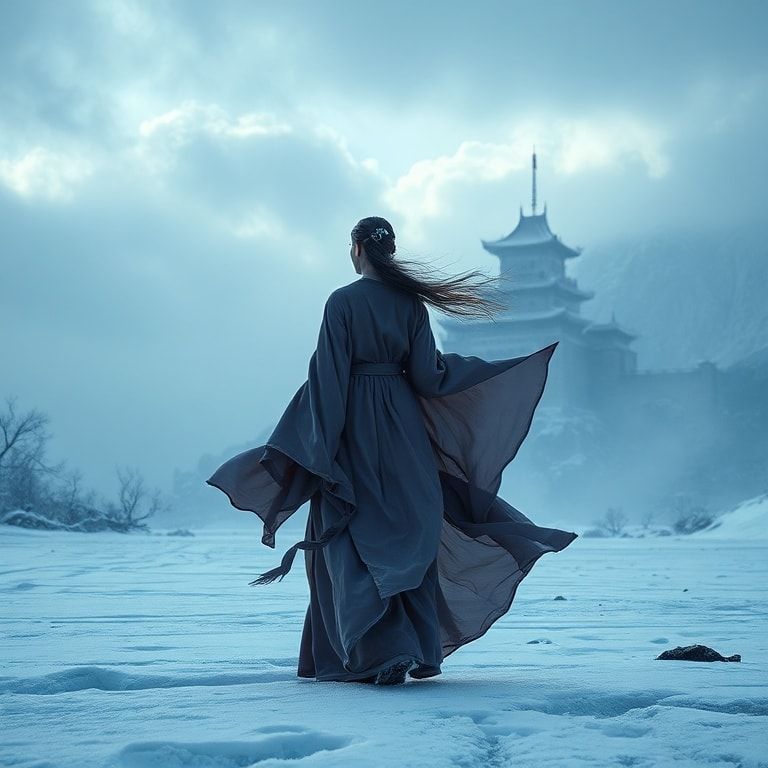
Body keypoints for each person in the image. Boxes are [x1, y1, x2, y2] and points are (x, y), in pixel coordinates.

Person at [206, 216, 578, 686]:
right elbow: (429, 378)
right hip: (403, 433)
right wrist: (482, 373)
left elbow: (329, 380)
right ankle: (408, 648)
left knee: (350, 537)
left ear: (359, 249)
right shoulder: (411, 305)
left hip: (354, 430)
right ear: (390, 250)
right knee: (406, 533)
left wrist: (319, 450)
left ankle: (373, 653)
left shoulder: (341, 301)